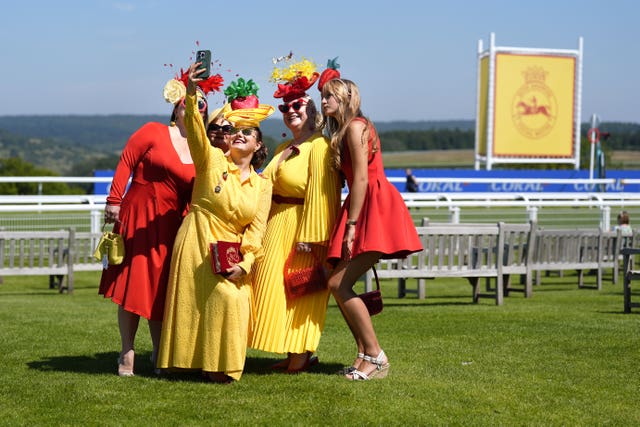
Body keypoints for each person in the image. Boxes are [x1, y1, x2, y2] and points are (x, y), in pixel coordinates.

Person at [98, 67, 222, 377]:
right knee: (132, 285)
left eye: (201, 103)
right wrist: (114, 200)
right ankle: (126, 353)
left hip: (172, 226)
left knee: (161, 289)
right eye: (188, 100)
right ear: (177, 105)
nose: (192, 105)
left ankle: (159, 352)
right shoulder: (153, 131)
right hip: (138, 218)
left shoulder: (202, 148)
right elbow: (126, 161)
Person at [157, 66, 274, 384]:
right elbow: (195, 130)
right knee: (194, 301)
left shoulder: (263, 185)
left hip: (231, 251)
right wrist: (192, 93)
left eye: (248, 132)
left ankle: (222, 367)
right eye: (235, 128)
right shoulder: (212, 159)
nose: (239, 133)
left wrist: (247, 263)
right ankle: (185, 362)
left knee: (231, 298)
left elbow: (257, 229)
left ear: (257, 146)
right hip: (196, 238)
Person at [319, 70, 422, 381]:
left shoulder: (356, 128)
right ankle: (365, 355)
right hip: (364, 205)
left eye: (329, 97)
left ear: (346, 100)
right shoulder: (349, 129)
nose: (323, 101)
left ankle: (376, 355)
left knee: (338, 284)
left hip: (371, 206)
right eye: (322, 97)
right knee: (336, 283)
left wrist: (351, 224)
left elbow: (361, 178)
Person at [249, 57, 341, 373]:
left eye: (298, 105)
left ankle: (301, 352)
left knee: (302, 288)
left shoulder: (320, 147)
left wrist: (312, 237)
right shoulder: (281, 149)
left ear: (312, 109)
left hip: (302, 229)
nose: (291, 111)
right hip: (276, 225)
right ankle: (290, 350)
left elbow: (324, 192)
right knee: (273, 287)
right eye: (285, 107)